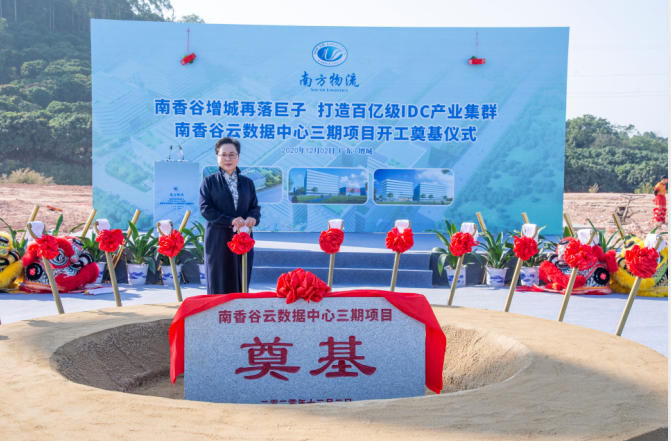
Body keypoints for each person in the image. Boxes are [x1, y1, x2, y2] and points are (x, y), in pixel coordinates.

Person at [200, 137, 261, 294]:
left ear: (238, 157)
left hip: (243, 238)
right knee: (219, 278)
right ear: (217, 157)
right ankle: (218, 309)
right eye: (223, 155)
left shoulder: (248, 183)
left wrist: (253, 217)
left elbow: (254, 207)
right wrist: (230, 220)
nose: (228, 159)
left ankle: (240, 308)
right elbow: (205, 209)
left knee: (241, 276)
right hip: (218, 238)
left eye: (232, 154)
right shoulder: (209, 182)